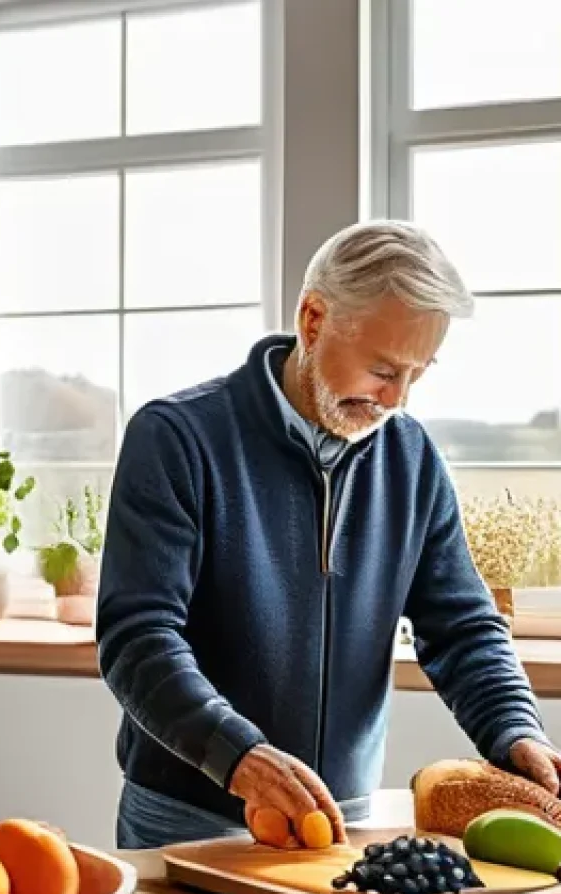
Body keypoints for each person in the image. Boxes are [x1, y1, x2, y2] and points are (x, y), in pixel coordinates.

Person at [96, 219, 561, 851]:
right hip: (188, 819)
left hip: (341, 820)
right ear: (313, 320)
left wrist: (517, 730)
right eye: (382, 369)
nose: (396, 399)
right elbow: (139, 636)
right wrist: (240, 756)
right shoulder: (177, 437)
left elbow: (462, 625)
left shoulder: (410, 456)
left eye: (416, 376)